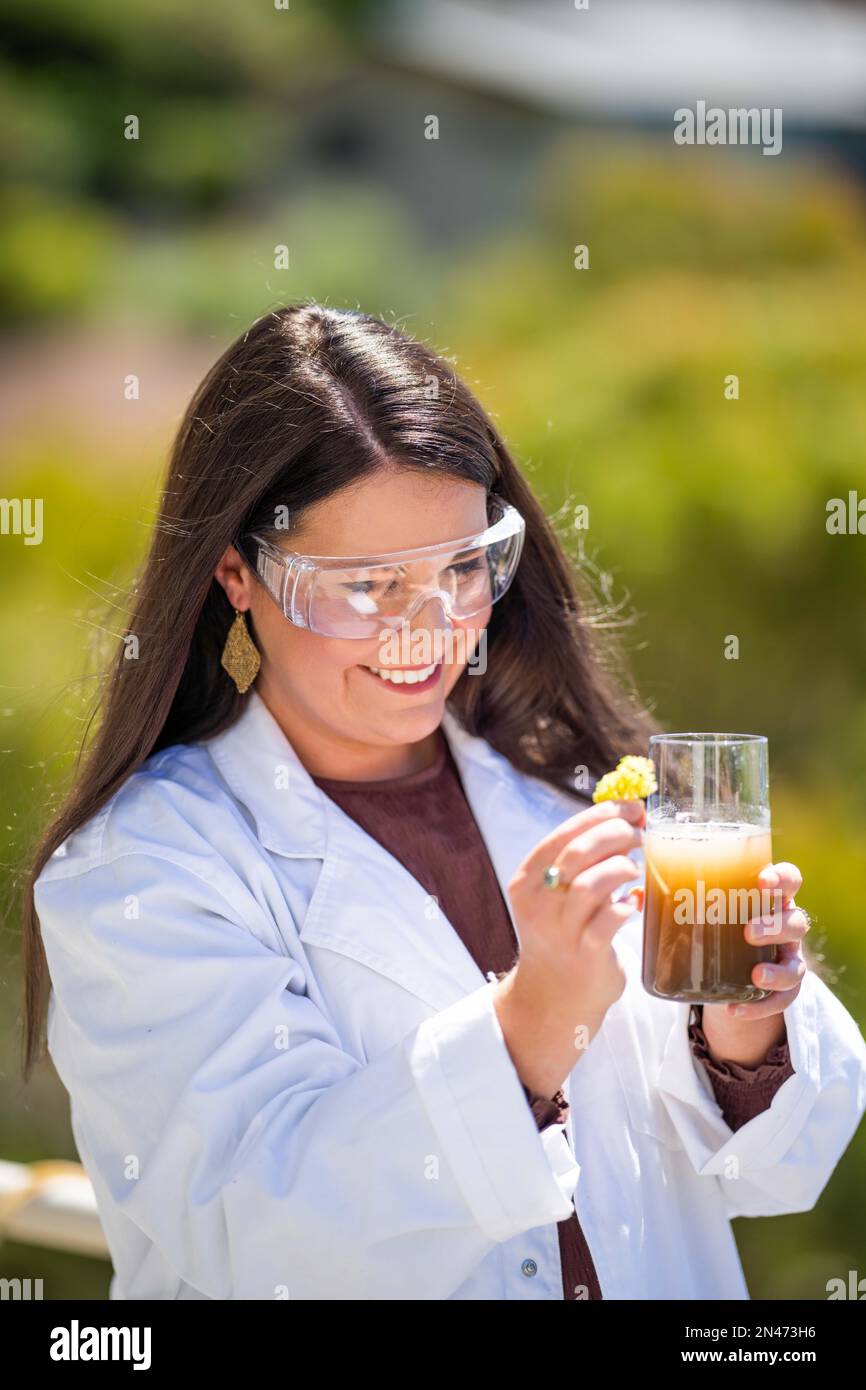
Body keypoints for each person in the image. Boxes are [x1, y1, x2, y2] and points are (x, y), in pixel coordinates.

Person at [23, 304, 866, 1300]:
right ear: (236, 572)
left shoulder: (569, 782)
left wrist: (741, 1033)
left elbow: (769, 1172)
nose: (431, 628)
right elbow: (246, 1232)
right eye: (369, 584)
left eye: (464, 567)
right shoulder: (145, 867)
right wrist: (526, 1027)